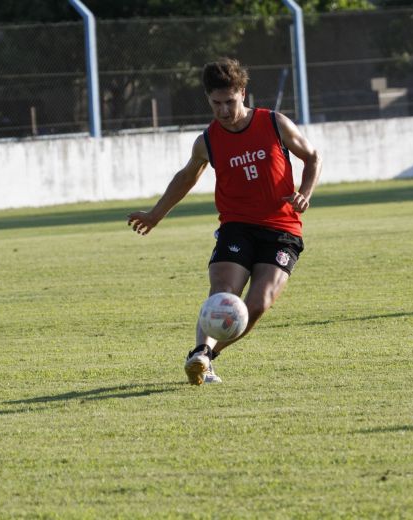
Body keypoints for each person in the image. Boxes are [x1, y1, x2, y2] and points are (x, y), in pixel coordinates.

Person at [127, 58, 321, 385]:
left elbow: (312, 157)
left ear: (242, 93)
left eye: (229, 102)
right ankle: (202, 352)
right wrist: (155, 214)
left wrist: (305, 192)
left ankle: (205, 356)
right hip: (237, 226)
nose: (223, 111)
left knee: (257, 304)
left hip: (282, 230)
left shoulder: (274, 123)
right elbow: (186, 176)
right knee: (222, 292)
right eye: (216, 103)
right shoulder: (208, 140)